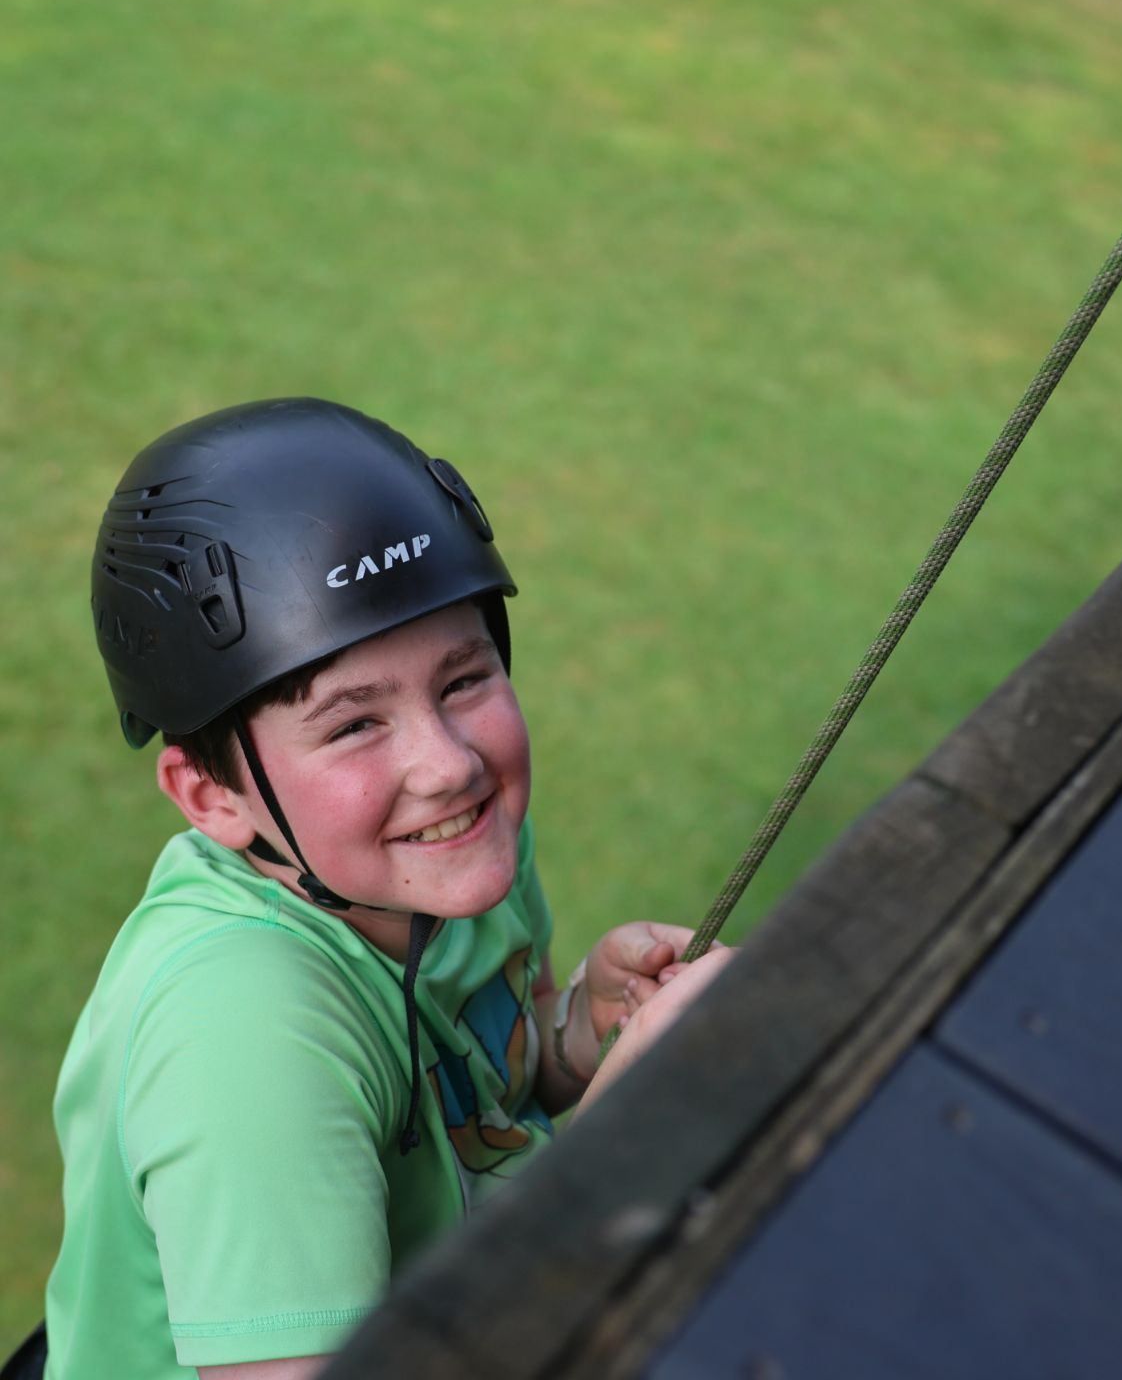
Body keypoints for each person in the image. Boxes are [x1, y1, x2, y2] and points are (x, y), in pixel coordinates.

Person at [34, 399, 731, 1380]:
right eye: (355, 724)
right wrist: (633, 1127)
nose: (446, 764)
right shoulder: (245, 1036)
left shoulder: (442, 856)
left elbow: (486, 1100)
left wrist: (584, 1032)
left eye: (462, 680)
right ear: (214, 795)